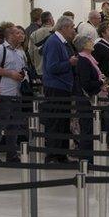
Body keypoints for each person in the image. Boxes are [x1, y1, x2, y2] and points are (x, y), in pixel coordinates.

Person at [0, 25, 28, 163]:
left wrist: (23, 74)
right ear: (10, 35)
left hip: (17, 93)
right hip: (4, 94)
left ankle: (12, 154)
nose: (21, 35)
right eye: (18, 33)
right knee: (0, 125)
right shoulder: (0, 49)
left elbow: (23, 67)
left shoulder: (20, 52)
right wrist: (10, 73)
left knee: (15, 125)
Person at [41, 16, 78, 164]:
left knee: (63, 122)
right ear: (64, 28)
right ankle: (52, 156)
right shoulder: (53, 43)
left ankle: (62, 154)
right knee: (55, 122)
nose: (73, 31)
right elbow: (52, 67)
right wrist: (69, 62)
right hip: (56, 87)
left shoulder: (63, 43)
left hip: (63, 87)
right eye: (72, 27)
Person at [73, 35, 106, 153]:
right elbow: (86, 83)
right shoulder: (83, 60)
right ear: (83, 45)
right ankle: (86, 156)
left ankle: (90, 154)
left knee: (91, 127)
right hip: (86, 100)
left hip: (90, 99)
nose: (92, 43)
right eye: (89, 41)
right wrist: (100, 82)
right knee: (87, 128)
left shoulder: (89, 58)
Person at [28, 11, 54, 75]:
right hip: (54, 70)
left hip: (40, 70)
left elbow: (30, 52)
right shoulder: (56, 32)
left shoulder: (34, 34)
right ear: (50, 20)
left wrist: (35, 64)